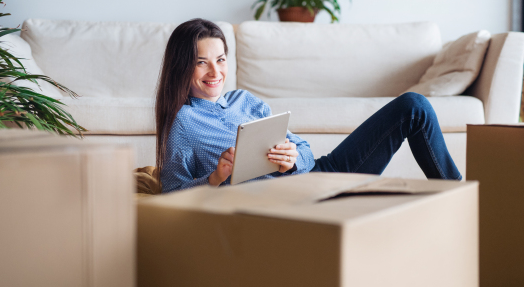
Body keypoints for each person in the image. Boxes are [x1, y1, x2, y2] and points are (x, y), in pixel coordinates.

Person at [156, 19, 461, 193]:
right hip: (287, 197)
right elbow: (170, 194)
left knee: (414, 105)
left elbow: (304, 149)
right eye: (201, 63)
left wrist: (291, 159)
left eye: (221, 60)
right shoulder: (184, 123)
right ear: (183, 66)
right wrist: (215, 178)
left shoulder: (244, 100)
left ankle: (460, 197)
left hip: (318, 172)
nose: (215, 72)